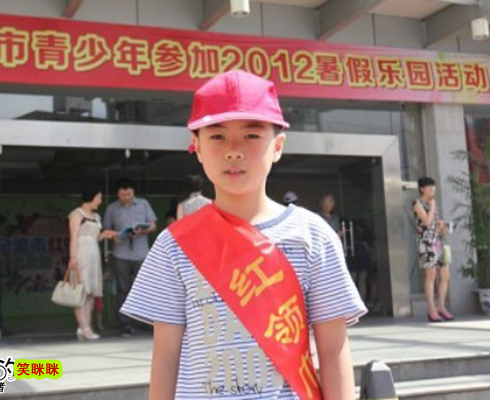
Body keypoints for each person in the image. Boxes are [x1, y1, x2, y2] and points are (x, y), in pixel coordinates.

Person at [121, 70, 367, 400]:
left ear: (277, 146)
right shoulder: (174, 245)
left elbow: (334, 351)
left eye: (251, 135)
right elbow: (165, 358)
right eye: (217, 136)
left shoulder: (313, 237)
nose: (233, 150)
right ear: (196, 146)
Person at [103, 179, 157, 337]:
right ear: (117, 194)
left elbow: (153, 225)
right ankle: (125, 325)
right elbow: (106, 230)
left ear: (133, 192)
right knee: (123, 290)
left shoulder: (144, 204)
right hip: (121, 253)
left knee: (146, 289)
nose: (126, 197)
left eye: (128, 194)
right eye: (122, 194)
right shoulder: (112, 208)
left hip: (142, 252)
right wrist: (115, 236)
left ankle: (149, 323)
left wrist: (142, 231)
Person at [68, 187, 117, 341]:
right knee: (81, 292)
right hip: (81, 253)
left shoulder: (96, 216)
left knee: (90, 293)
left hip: (94, 254)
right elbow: (74, 237)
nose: (100, 201)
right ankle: (85, 328)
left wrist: (104, 235)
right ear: (91, 197)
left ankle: (85, 326)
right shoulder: (77, 215)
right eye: (99, 198)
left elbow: (95, 237)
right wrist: (73, 258)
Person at [412, 177, 454, 323]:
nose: (432, 190)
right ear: (422, 189)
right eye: (429, 187)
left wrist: (442, 226)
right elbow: (427, 221)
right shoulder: (417, 204)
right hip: (426, 243)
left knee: (445, 275)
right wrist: (432, 206)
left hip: (438, 242)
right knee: (431, 275)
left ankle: (441, 306)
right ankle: (431, 310)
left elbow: (434, 223)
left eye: (433, 187)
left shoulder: (431, 203)